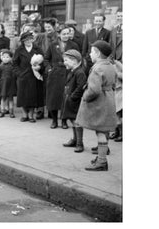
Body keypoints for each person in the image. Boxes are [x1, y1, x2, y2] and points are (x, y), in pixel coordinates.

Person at [76, 41, 118, 171]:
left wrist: (85, 97)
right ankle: (101, 157)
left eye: (92, 51)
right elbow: (114, 82)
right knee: (104, 130)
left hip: (99, 102)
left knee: (100, 131)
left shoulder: (97, 68)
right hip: (109, 99)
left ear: (98, 53)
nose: (90, 54)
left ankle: (101, 161)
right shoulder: (111, 66)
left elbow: (94, 90)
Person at [44, 26, 80, 129]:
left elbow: (78, 59)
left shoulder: (74, 45)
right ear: (59, 34)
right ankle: (54, 121)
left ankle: (64, 120)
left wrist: (74, 70)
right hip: (55, 74)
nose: (66, 36)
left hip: (68, 73)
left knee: (65, 97)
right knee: (53, 98)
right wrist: (49, 69)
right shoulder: (53, 45)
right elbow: (46, 59)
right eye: (63, 34)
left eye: (67, 34)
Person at [12, 31, 44, 123]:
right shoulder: (19, 50)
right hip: (23, 76)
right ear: (23, 41)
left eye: (30, 39)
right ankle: (24, 114)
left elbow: (43, 61)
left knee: (33, 96)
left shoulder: (37, 49)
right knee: (22, 96)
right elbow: (14, 63)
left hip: (34, 76)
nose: (28, 41)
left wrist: (39, 68)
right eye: (26, 40)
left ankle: (31, 115)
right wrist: (19, 73)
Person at [61, 50, 88, 152]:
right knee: (72, 120)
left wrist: (72, 97)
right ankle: (75, 139)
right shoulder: (73, 71)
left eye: (66, 60)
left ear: (75, 61)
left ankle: (79, 143)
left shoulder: (79, 73)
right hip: (71, 101)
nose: (64, 62)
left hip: (75, 102)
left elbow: (81, 87)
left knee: (77, 122)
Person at [0, 49, 16, 118]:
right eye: (4, 57)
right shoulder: (0, 67)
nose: (5, 59)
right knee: (3, 98)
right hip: (2, 84)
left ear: (10, 58)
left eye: (7, 57)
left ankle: (11, 112)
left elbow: (14, 76)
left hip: (11, 84)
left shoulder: (12, 66)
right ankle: (2, 111)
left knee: (10, 98)